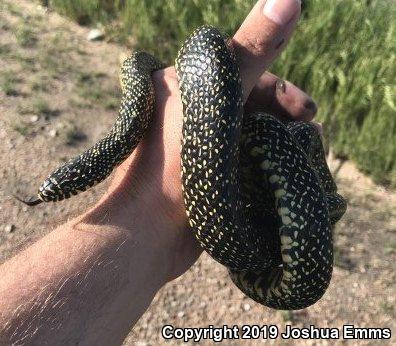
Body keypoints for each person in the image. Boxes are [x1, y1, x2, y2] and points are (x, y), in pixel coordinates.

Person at [0, 0, 318, 344]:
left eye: (61, 188)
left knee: (290, 135)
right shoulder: (143, 82)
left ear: (88, 176)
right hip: (243, 231)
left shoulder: (147, 78)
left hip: (255, 231)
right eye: (59, 189)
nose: (54, 192)